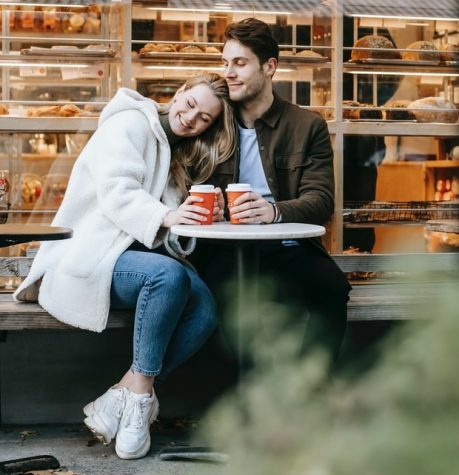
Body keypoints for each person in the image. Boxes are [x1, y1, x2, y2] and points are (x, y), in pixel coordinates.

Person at [13, 73, 236, 460]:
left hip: (131, 263)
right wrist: (169, 215)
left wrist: (198, 217)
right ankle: (136, 411)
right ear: (177, 92)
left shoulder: (176, 151)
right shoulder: (130, 123)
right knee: (167, 275)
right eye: (190, 104)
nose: (191, 117)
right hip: (89, 255)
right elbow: (119, 194)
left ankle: (127, 393)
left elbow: (167, 235)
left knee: (204, 309)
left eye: (204, 118)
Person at [193, 18, 351, 364]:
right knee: (220, 301)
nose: (228, 73)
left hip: (285, 250)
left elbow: (321, 200)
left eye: (239, 63)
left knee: (333, 289)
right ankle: (249, 398)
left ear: (269, 67)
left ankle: (310, 389)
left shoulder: (307, 126)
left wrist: (274, 212)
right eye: (225, 63)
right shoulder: (213, 121)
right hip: (225, 251)